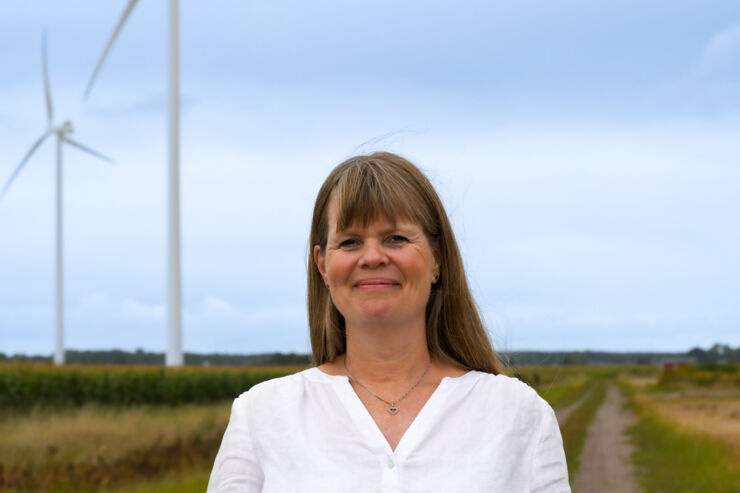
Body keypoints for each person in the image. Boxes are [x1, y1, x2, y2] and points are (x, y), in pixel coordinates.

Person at [207, 152, 570, 492]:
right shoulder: (261, 417)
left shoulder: (518, 415)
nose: (373, 257)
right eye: (350, 242)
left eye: (395, 238)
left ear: (437, 259)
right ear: (322, 265)